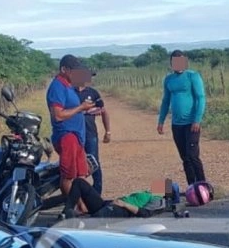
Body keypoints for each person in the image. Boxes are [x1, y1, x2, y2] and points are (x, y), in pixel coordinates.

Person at [47, 55, 95, 213]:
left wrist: (85, 109)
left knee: (81, 174)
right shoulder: (57, 87)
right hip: (66, 136)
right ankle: (77, 208)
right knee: (68, 176)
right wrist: (81, 108)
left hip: (76, 136)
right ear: (64, 70)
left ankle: (84, 206)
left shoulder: (68, 86)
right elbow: (58, 115)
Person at [157, 50, 208, 186]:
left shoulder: (193, 76)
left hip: (191, 123)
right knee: (185, 157)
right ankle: (192, 186)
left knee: (193, 156)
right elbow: (165, 101)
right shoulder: (168, 79)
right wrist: (161, 120)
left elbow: (200, 98)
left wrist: (197, 119)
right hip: (176, 124)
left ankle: (203, 186)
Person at [75, 73, 111, 195]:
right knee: (75, 163)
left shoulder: (93, 93)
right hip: (74, 134)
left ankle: (97, 193)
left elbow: (103, 111)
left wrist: (108, 131)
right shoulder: (69, 92)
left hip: (90, 133)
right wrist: (85, 111)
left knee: (94, 162)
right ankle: (77, 194)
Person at [60, 178, 158, 219]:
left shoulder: (158, 198)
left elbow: (145, 213)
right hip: (108, 204)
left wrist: (125, 204)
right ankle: (66, 213)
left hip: (122, 210)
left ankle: (74, 223)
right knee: (79, 182)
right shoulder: (149, 192)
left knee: (94, 219)